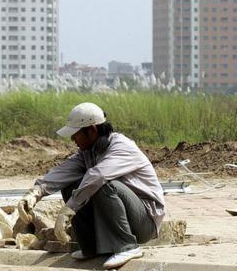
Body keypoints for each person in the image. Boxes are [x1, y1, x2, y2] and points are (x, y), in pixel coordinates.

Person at [17, 102, 165, 269]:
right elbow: (64, 171)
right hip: (126, 217)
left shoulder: (121, 147)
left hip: (145, 222)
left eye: (76, 134)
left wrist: (68, 210)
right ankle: (91, 248)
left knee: (103, 185)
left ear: (92, 130)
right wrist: (35, 192)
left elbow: (98, 176)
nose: (73, 139)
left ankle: (127, 246)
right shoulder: (88, 152)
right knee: (72, 185)